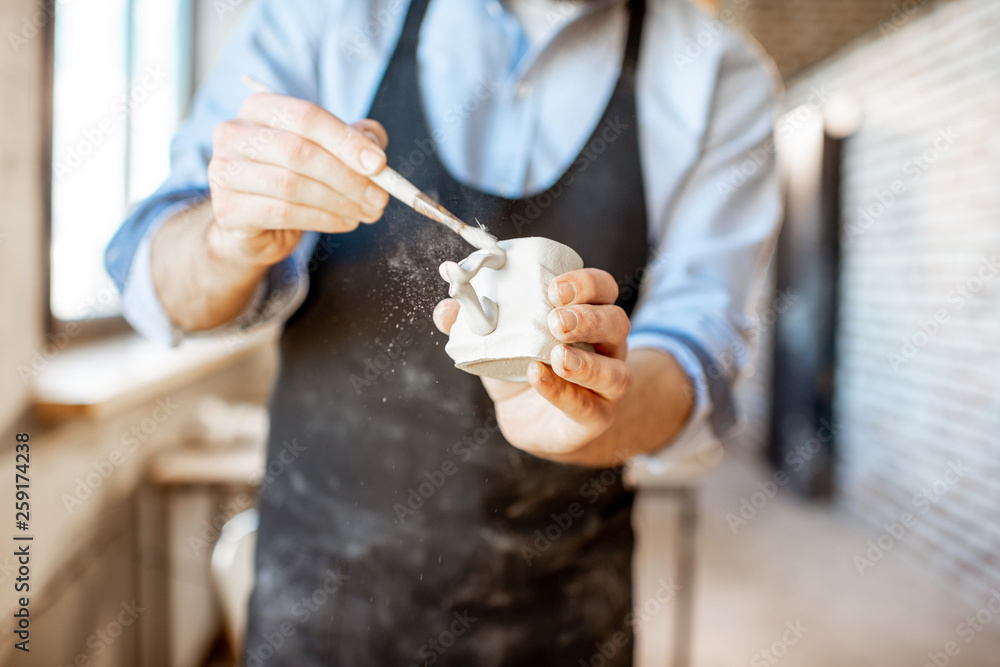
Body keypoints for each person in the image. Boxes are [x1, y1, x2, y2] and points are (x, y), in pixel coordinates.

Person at [106, 0, 781, 663]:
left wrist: (597, 411)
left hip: (559, 615)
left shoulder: (717, 76)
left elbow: (702, 352)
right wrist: (228, 239)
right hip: (322, 605)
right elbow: (150, 277)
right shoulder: (325, 15)